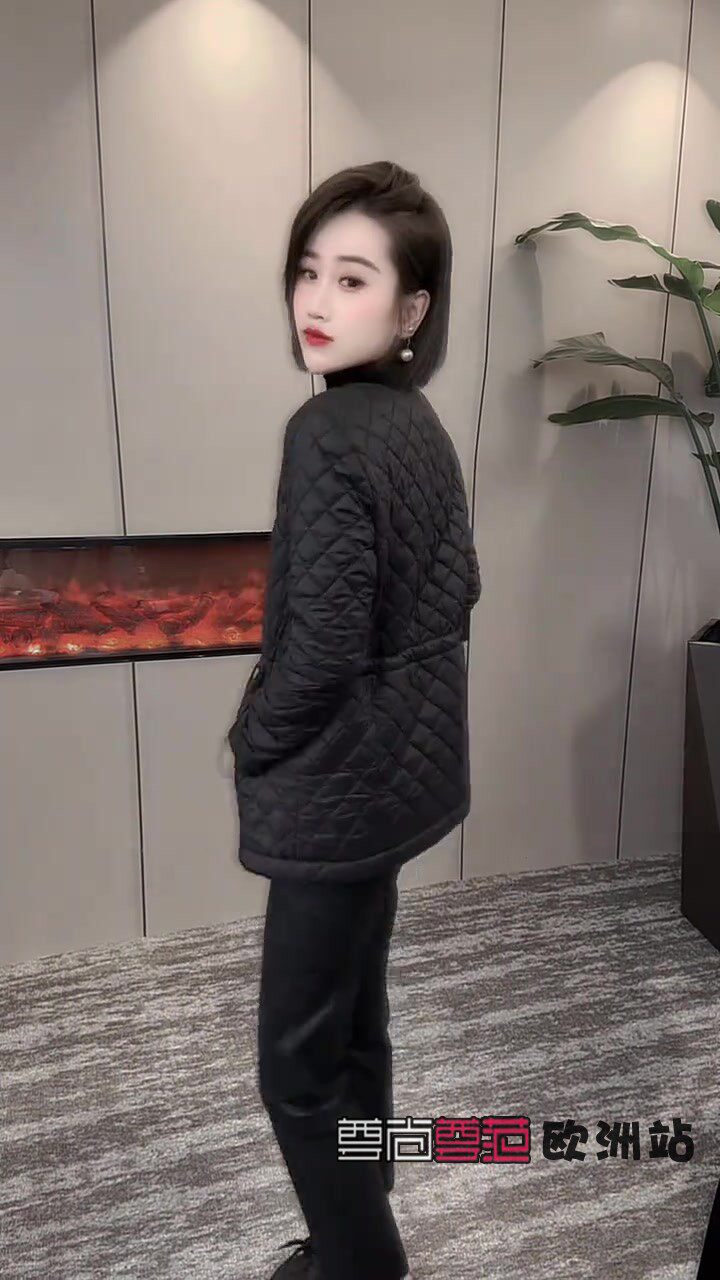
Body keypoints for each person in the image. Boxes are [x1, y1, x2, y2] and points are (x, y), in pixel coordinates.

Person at [228, 160, 482, 1280]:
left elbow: (322, 648)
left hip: (336, 793)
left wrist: (253, 737)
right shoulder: (413, 420)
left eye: (353, 277)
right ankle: (355, 1222)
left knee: (295, 1066)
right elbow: (461, 585)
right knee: (353, 1025)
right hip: (396, 785)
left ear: (412, 309)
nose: (316, 302)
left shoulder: (326, 432)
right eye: (307, 272)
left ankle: (363, 1263)